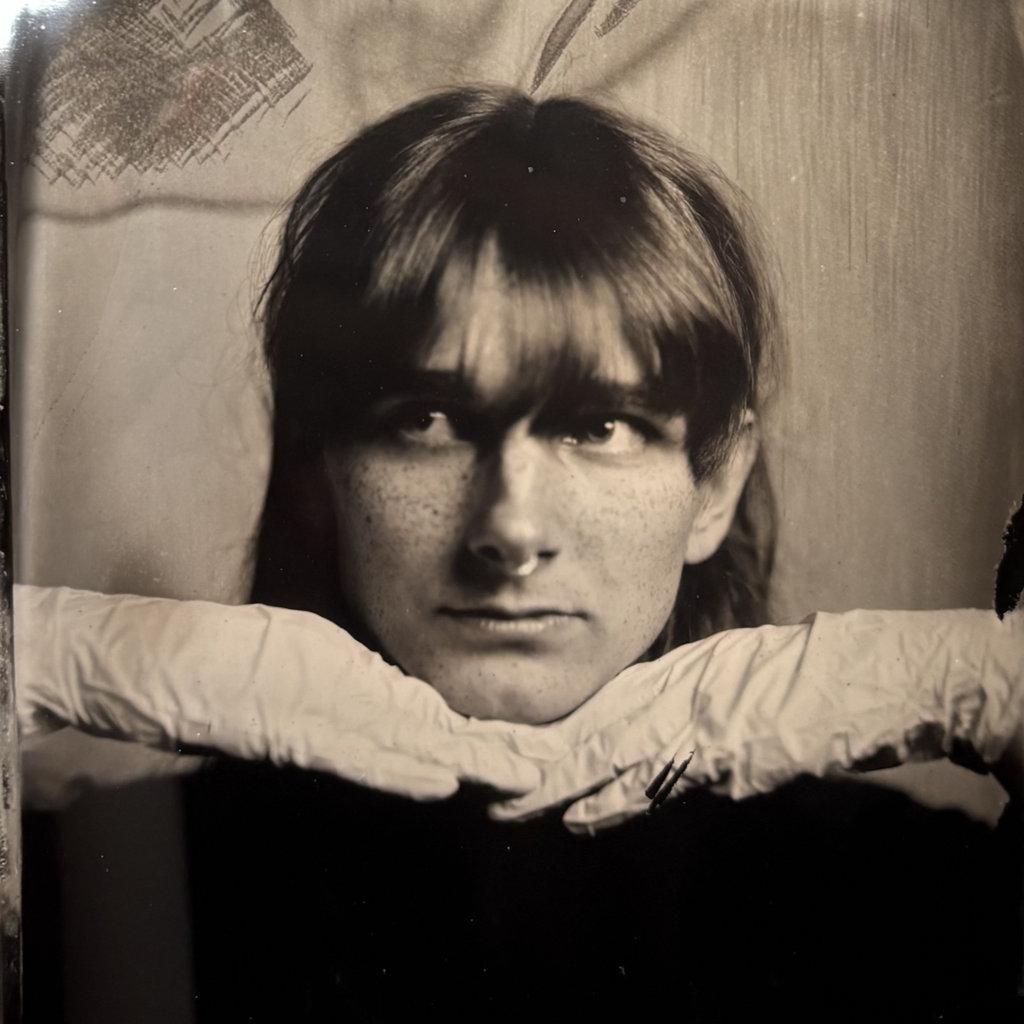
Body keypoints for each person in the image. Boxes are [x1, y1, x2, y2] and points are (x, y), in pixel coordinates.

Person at [19, 87, 1023, 1020]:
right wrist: (52, 656)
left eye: (600, 425)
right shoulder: (93, 886)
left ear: (714, 483)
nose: (510, 530)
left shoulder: (914, 898)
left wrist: (990, 687)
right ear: (318, 470)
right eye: (425, 419)